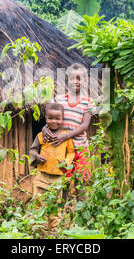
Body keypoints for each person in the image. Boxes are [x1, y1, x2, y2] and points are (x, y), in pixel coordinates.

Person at [42, 63, 96, 201]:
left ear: (85, 80)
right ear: (67, 80)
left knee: (80, 183)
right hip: (63, 149)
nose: (76, 82)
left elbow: (84, 125)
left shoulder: (88, 103)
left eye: (79, 78)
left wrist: (65, 136)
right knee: (62, 183)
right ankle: (61, 214)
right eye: (72, 78)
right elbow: (51, 120)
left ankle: (81, 216)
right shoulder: (59, 100)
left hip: (81, 149)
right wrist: (44, 128)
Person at [29, 103, 75, 197]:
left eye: (57, 119)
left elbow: (71, 152)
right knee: (38, 201)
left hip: (58, 177)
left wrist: (66, 162)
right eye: (50, 118)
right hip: (42, 176)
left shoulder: (66, 136)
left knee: (55, 203)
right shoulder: (41, 136)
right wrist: (36, 156)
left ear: (62, 120)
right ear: (46, 119)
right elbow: (32, 150)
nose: (54, 121)